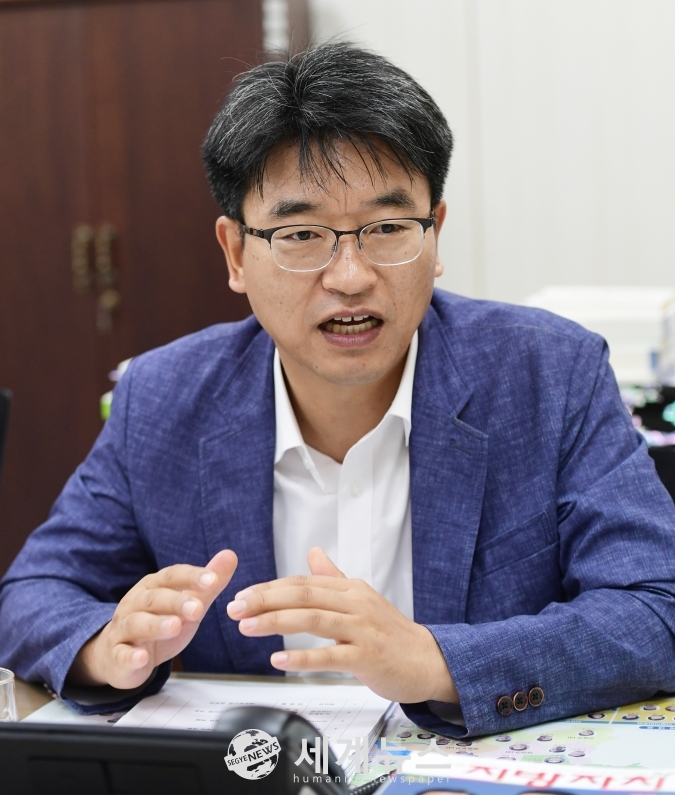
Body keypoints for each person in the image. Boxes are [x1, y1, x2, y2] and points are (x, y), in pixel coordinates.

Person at [1, 43, 675, 739]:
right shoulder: (164, 397)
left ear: (435, 235)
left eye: (388, 228)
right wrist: (107, 646)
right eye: (301, 233)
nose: (350, 276)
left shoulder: (548, 374)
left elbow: (657, 606)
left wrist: (436, 662)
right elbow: (33, 593)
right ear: (235, 253)